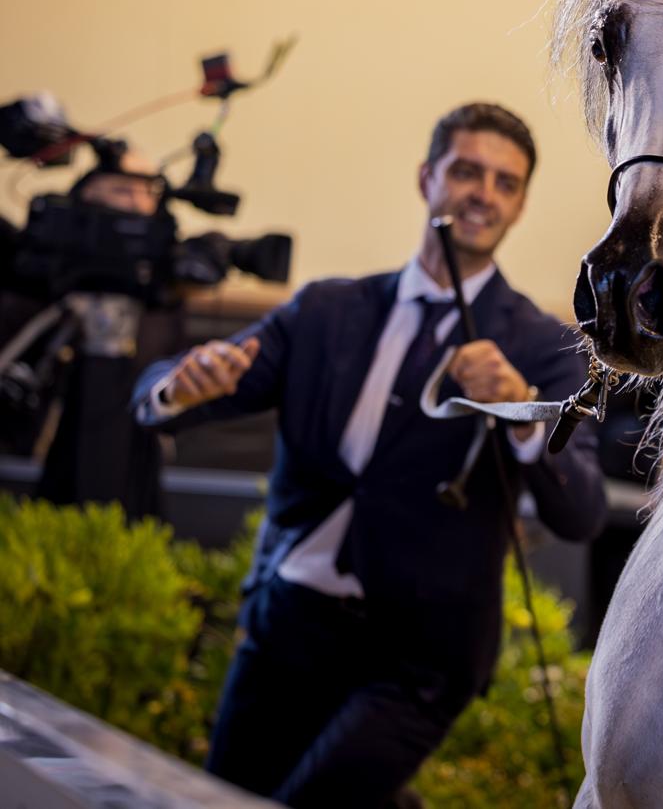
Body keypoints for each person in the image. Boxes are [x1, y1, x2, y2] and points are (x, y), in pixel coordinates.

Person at [132, 102, 605, 806]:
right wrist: (180, 386)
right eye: (466, 171)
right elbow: (168, 391)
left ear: (520, 204)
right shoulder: (326, 311)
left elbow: (582, 511)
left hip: (420, 658)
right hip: (287, 624)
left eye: (505, 183)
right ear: (426, 178)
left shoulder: (544, 347)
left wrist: (522, 413)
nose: (484, 193)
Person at [1, 146, 180, 517]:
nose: (137, 203)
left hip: (131, 437)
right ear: (87, 193)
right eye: (123, 190)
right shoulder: (40, 266)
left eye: (148, 191)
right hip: (46, 434)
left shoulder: (161, 279)